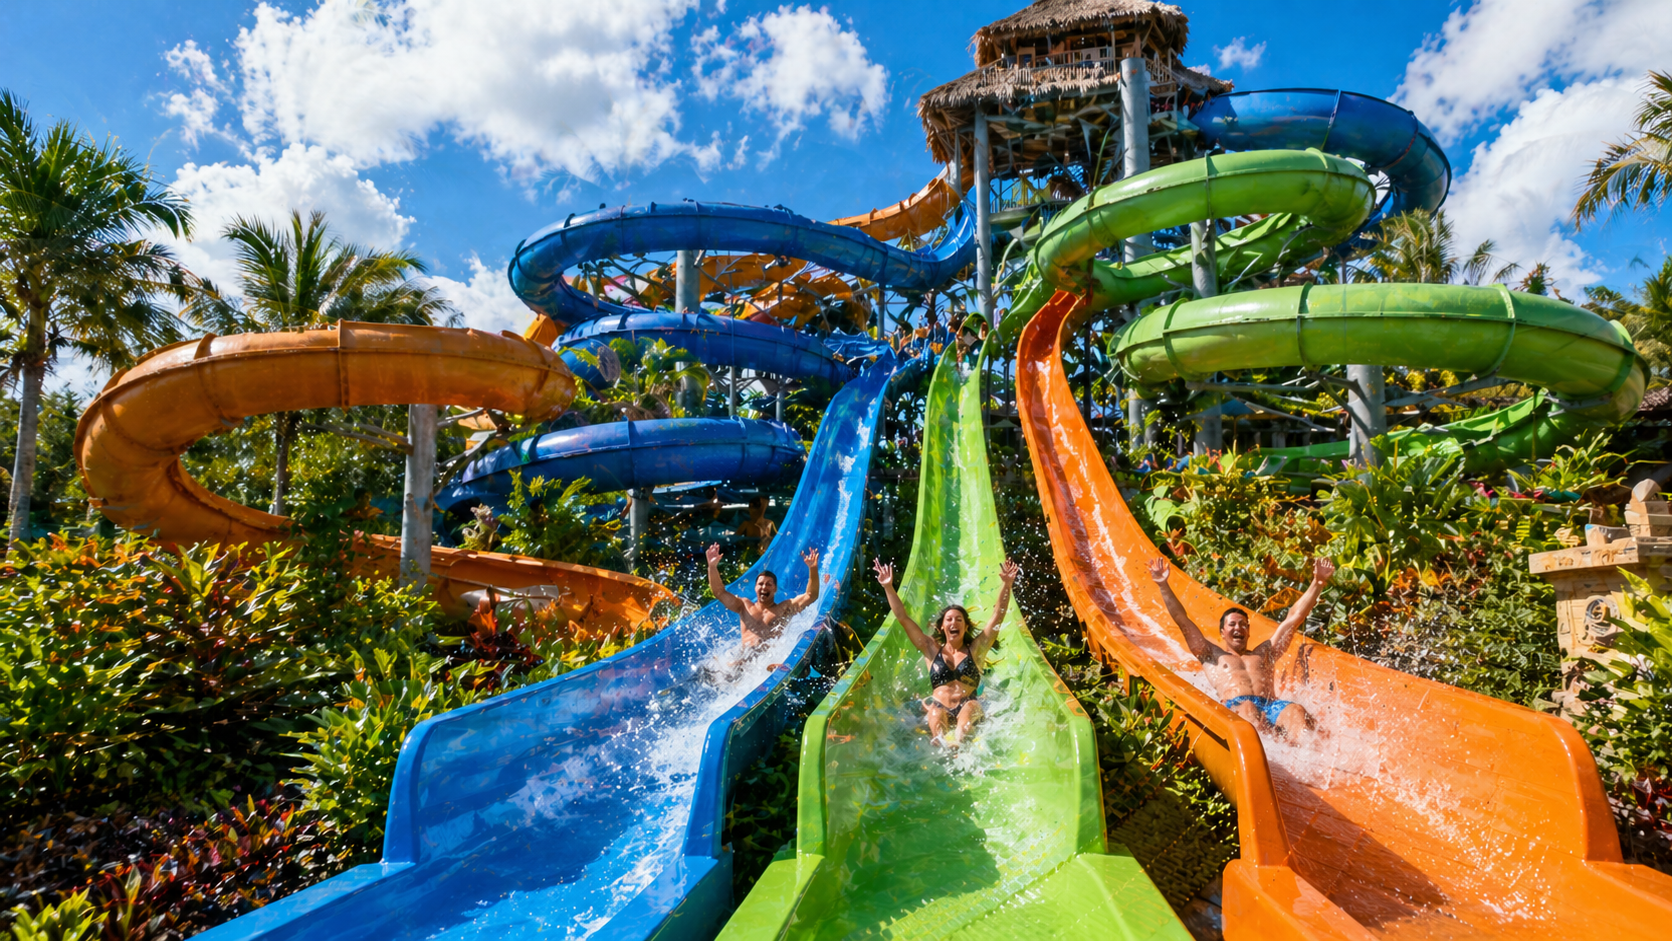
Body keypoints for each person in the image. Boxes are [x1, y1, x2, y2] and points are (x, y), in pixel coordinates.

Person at [1148, 556, 1336, 737]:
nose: (1238, 628)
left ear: (1248, 631)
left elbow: (1293, 619)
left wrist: (1318, 583)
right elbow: (1182, 620)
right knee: (1248, 707)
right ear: (1222, 632)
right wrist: (1163, 585)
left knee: (1296, 710)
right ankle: (1261, 746)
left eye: (1243, 624)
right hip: (1237, 708)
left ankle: (1309, 751)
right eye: (1232, 624)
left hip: (1271, 707)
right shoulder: (1210, 654)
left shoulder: (1265, 652)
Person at [873, 557, 1020, 748]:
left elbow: (997, 616)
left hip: (968, 705)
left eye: (959, 620)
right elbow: (902, 617)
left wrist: (1007, 585)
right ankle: (945, 747)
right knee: (935, 716)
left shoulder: (976, 649)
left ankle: (960, 743)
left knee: (967, 718)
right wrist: (888, 587)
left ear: (966, 627)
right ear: (942, 627)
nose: (953, 623)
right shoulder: (930, 648)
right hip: (940, 706)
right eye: (949, 619)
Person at [707, 542, 819, 647]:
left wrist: (813, 569)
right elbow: (719, 592)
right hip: (744, 658)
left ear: (775, 589)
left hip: (767, 659)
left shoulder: (784, 608)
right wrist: (712, 567)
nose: (764, 587)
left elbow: (811, 595)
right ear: (755, 588)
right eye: (760, 584)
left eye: (769, 584)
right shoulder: (744, 606)